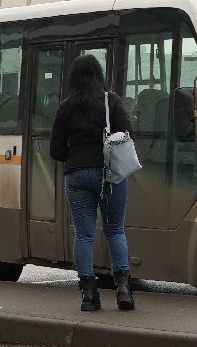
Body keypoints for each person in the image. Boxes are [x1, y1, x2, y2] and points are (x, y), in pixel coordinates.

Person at [49, 55, 135, 312]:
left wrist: (75, 154)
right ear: (99, 75)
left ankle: (88, 295)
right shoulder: (111, 102)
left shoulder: (65, 107)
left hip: (77, 176)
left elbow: (56, 151)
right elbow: (128, 135)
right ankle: (123, 291)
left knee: (84, 234)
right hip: (109, 175)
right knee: (115, 230)